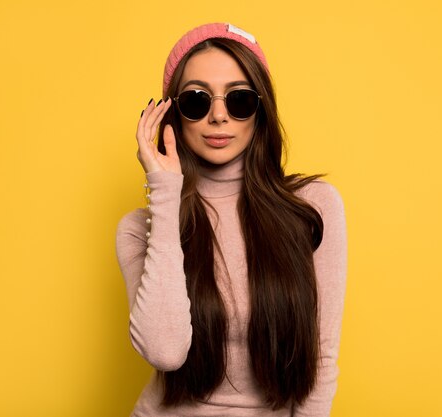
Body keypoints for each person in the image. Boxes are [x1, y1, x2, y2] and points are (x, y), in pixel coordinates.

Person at [116, 22, 347, 417]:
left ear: (261, 111)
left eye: (239, 99)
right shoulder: (143, 227)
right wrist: (166, 196)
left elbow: (321, 360)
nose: (219, 116)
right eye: (196, 100)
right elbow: (165, 352)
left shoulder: (312, 209)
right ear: (172, 115)